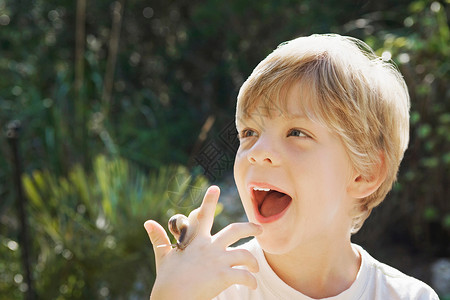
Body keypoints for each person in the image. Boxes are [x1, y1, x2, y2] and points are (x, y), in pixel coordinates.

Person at [144, 34, 439, 299]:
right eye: (249, 133)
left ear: (365, 173)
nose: (257, 153)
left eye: (296, 133)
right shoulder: (211, 290)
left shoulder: (409, 297)